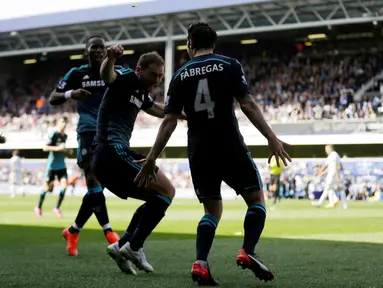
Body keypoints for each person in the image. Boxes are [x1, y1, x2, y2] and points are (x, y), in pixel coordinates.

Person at [134, 22, 291, 285]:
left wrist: (151, 158)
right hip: (229, 144)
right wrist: (271, 137)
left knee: (211, 211)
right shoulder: (230, 65)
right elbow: (248, 104)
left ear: (190, 44)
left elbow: (169, 120)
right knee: (255, 200)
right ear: (213, 44)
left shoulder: (180, 75)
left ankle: (201, 262)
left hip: (199, 150)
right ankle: (247, 251)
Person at [92, 45, 185, 275]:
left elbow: (155, 108)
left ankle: (122, 245)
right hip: (111, 152)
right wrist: (110, 58)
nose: (157, 79)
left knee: (157, 197)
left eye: (161, 76)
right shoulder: (124, 77)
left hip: (108, 160)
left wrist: (182, 113)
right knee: (168, 190)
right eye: (154, 74)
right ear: (139, 70)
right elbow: (107, 75)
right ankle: (134, 246)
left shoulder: (141, 93)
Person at [49, 35, 120, 257]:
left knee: (99, 185)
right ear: (86, 51)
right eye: (93, 48)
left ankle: (73, 230)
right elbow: (53, 97)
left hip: (111, 132)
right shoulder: (77, 73)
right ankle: (109, 232)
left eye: (101, 47)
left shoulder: (113, 71)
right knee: (92, 177)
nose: (98, 51)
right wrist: (72, 93)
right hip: (88, 131)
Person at [35, 117, 70, 217]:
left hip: (62, 166)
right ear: (58, 123)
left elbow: (62, 149)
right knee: (46, 189)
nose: (64, 124)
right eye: (62, 122)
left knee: (64, 186)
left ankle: (57, 208)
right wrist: (58, 148)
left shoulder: (65, 136)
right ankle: (38, 207)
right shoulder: (54, 134)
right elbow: (45, 147)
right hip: (52, 166)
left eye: (65, 122)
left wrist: (67, 151)